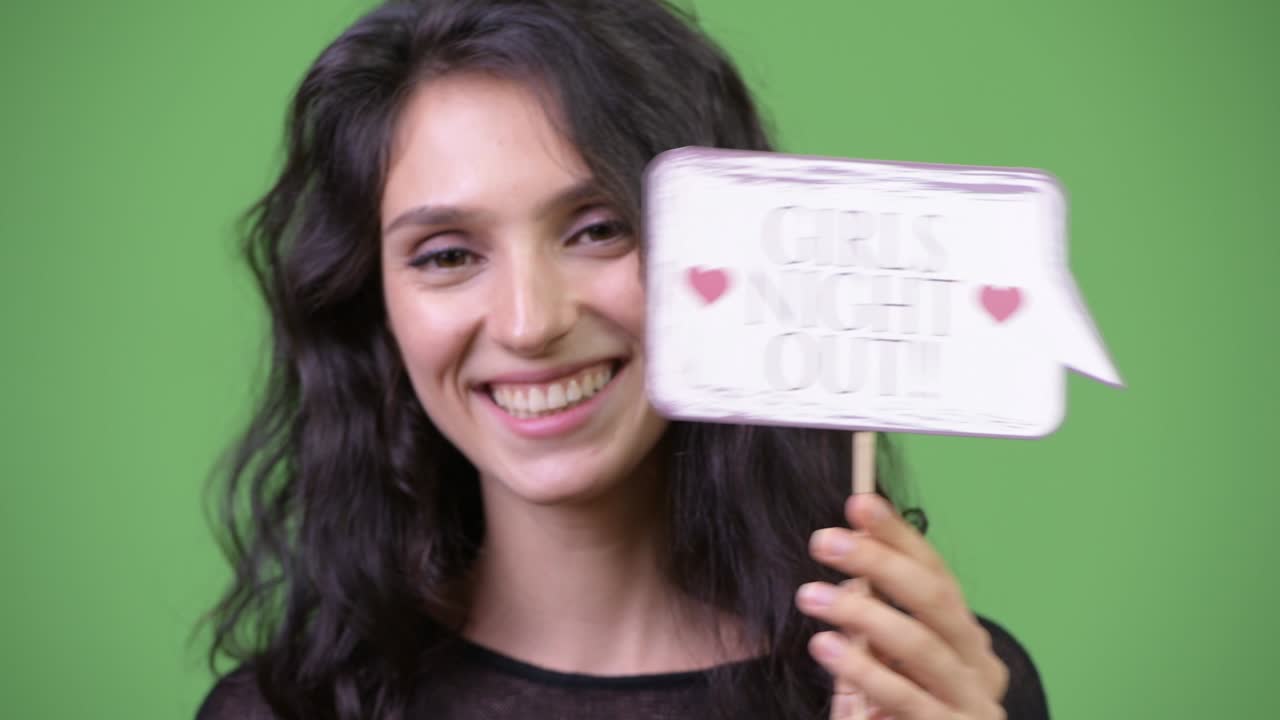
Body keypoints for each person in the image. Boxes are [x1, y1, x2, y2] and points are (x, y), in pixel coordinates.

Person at [197, 1, 1049, 718]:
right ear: (370, 303)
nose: (531, 324)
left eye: (599, 229)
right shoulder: (286, 708)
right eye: (447, 254)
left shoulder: (925, 689)